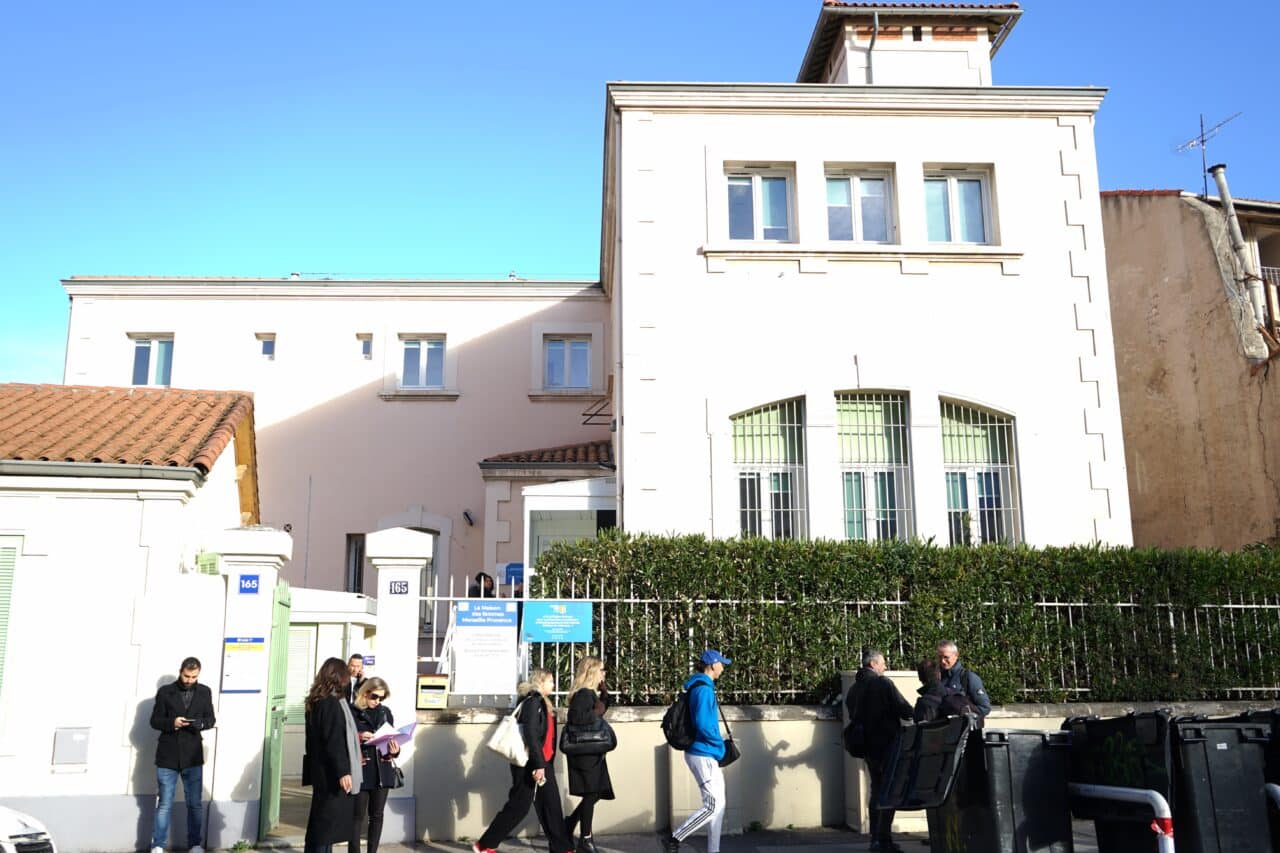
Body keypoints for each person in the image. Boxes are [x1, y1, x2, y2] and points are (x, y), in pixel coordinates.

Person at [473, 669, 573, 853]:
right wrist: (538, 765)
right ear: (541, 682)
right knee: (518, 807)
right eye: (550, 681)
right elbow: (531, 735)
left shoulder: (543, 703)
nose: (553, 685)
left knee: (551, 805)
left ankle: (562, 847)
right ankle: (484, 845)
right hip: (530, 764)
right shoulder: (532, 702)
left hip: (544, 762)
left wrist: (544, 764)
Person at [663, 649, 732, 853]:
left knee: (719, 805)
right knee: (712, 806)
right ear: (712, 665)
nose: (723, 667)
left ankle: (714, 850)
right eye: (721, 663)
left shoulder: (701, 686)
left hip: (704, 752)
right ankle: (675, 838)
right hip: (703, 753)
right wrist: (720, 744)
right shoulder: (703, 689)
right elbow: (703, 724)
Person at [845, 649, 912, 853]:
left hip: (867, 747)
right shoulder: (883, 683)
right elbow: (904, 709)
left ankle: (876, 837)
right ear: (873, 664)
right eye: (883, 663)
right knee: (889, 791)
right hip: (887, 744)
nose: (885, 667)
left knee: (876, 790)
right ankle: (883, 839)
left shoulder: (853, 689)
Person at [149, 656, 215, 853]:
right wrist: (172, 723)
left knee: (194, 804)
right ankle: (158, 845)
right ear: (180, 671)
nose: (189, 681)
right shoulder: (165, 692)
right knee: (164, 804)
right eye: (187, 676)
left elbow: (210, 719)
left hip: (192, 755)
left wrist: (199, 724)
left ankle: (195, 844)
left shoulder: (204, 692)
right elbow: (154, 721)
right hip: (168, 755)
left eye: (194, 677)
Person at [304, 657, 361, 853]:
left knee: (322, 825)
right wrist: (343, 770)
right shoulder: (331, 703)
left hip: (321, 769)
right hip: (331, 774)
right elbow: (334, 740)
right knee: (325, 828)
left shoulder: (316, 700)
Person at [564, 657, 614, 853]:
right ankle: (585, 839)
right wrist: (598, 708)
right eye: (602, 670)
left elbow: (597, 712)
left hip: (591, 751)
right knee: (592, 792)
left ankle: (570, 824)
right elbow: (577, 718)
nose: (604, 673)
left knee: (596, 792)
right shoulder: (583, 694)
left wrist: (604, 695)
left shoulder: (589, 694)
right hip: (584, 753)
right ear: (592, 672)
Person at [350, 678, 401, 853]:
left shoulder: (385, 712)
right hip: (362, 767)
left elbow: (391, 739)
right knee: (356, 816)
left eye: (381, 698)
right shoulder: (352, 711)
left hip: (382, 767)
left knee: (377, 816)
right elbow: (342, 739)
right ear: (365, 693)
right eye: (374, 697)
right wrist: (358, 736)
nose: (377, 701)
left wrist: (394, 750)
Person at [912, 659, 980, 724]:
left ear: (920, 678)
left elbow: (922, 731)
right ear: (939, 675)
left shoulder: (923, 703)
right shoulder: (954, 694)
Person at [936, 640, 991, 718]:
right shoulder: (938, 678)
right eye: (939, 657)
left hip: (964, 729)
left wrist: (964, 715)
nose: (942, 661)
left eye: (946, 657)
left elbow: (985, 708)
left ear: (956, 655)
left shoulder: (968, 677)